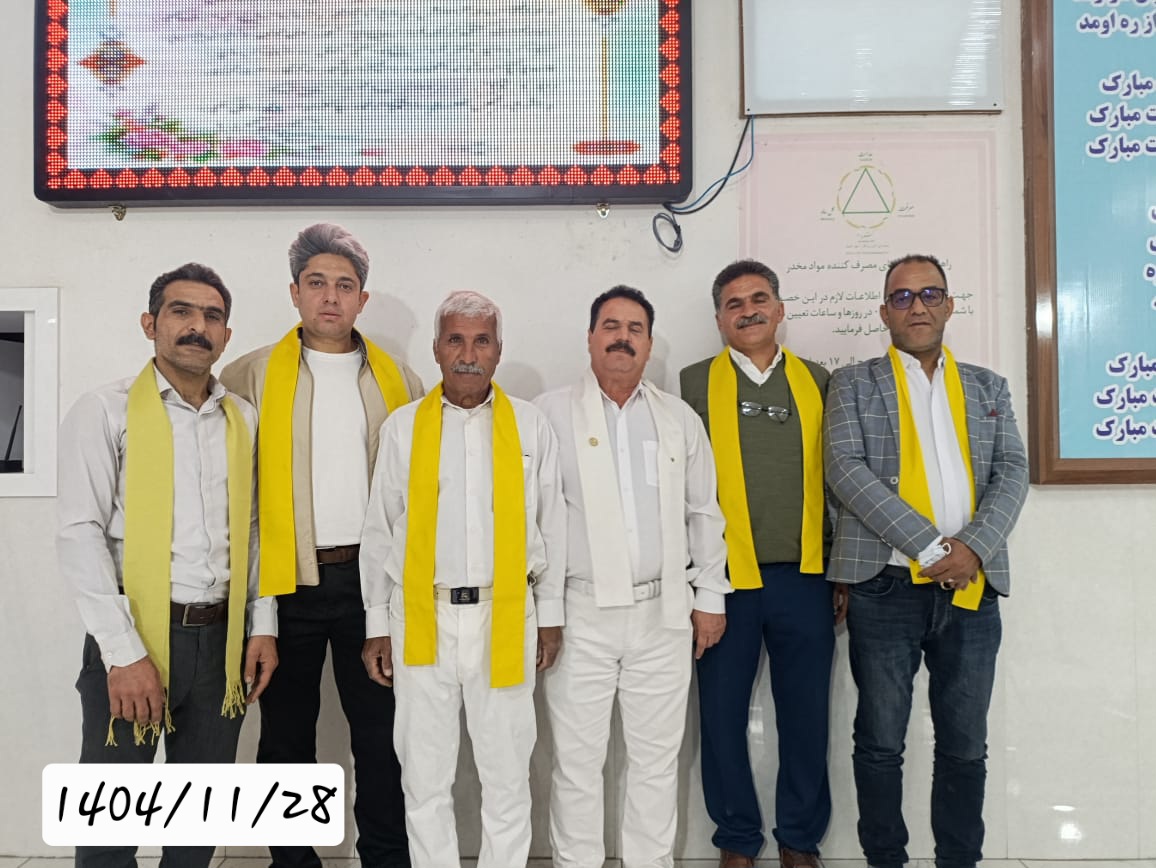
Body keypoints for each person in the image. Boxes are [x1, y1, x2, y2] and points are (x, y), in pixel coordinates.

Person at [58, 263, 278, 868]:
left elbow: (252, 529)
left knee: (196, 826)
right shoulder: (104, 411)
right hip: (136, 637)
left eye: (212, 316)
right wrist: (123, 654)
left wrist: (262, 625)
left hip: (220, 645)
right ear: (150, 323)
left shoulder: (241, 418)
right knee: (110, 827)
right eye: (181, 311)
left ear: (226, 335)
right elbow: (79, 533)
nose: (197, 326)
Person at [221, 224, 422, 868]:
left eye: (344, 285)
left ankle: (386, 859)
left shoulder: (401, 380)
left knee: (383, 739)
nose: (330, 297)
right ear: (294, 293)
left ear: (363, 298)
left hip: (371, 586)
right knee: (285, 739)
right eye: (317, 283)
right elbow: (236, 496)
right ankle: (293, 861)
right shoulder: (248, 376)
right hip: (287, 584)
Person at [823, 254, 1029, 868]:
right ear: (884, 311)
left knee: (965, 745)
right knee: (881, 741)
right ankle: (885, 860)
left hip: (972, 590)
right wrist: (937, 549)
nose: (917, 306)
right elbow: (846, 471)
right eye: (903, 296)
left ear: (949, 304)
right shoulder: (853, 383)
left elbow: (1012, 472)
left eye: (930, 294)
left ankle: (959, 861)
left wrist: (972, 549)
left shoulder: (989, 387)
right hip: (884, 588)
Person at [360, 290, 565, 868]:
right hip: (420, 615)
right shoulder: (404, 429)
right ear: (436, 349)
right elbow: (381, 530)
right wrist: (376, 625)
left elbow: (553, 523)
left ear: (498, 349)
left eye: (481, 341)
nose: (468, 355)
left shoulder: (530, 426)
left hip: (507, 614)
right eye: (456, 340)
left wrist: (551, 616)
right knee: (424, 777)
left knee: (507, 776)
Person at [535, 285, 729, 868]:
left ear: (648, 344)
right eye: (611, 326)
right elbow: (532, 519)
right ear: (590, 337)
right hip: (579, 614)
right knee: (577, 763)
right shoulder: (547, 415)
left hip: (662, 615)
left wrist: (710, 597)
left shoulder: (677, 418)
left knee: (655, 762)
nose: (623, 337)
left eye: (635, 329)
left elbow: (703, 511)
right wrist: (545, 613)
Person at [680, 260, 846, 868]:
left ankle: (799, 839)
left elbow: (838, 478)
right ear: (719, 318)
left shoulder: (818, 380)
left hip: (805, 578)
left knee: (806, 717)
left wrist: (840, 568)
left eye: (758, 299)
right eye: (733, 303)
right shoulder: (693, 383)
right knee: (720, 717)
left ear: (779, 309)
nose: (747, 311)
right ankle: (737, 840)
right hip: (724, 582)